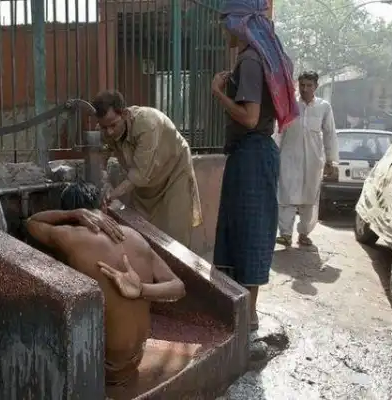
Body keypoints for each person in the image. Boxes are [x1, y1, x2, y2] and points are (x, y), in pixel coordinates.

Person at [26, 181, 186, 386]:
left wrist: (72, 214)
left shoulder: (70, 237)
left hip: (105, 366)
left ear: (75, 215)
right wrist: (142, 290)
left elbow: (32, 222)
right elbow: (178, 287)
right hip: (137, 356)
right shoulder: (134, 236)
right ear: (103, 205)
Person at [210, 0, 299, 331]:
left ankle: (247, 318)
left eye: (226, 23)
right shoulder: (260, 57)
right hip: (255, 154)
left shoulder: (249, 60)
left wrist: (218, 93)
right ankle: (245, 314)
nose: (223, 31)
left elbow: (249, 117)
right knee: (245, 231)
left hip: (251, 154)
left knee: (248, 233)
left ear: (239, 23)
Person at [92, 90, 202, 248]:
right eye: (104, 127)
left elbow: (139, 174)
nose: (109, 131)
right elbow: (100, 160)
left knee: (176, 233)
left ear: (124, 114)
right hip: (144, 184)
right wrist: (103, 183)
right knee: (141, 229)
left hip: (174, 174)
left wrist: (111, 195)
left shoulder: (147, 124)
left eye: (113, 125)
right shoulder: (105, 129)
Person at [276, 71, 339, 247]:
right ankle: (285, 234)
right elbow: (279, 132)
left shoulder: (324, 107)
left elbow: (330, 134)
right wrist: (275, 154)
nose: (305, 89)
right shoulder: (290, 105)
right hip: (289, 157)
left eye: (309, 85)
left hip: (313, 161)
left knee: (309, 198)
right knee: (286, 195)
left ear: (316, 86)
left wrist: (331, 160)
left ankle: (304, 234)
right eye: (302, 85)